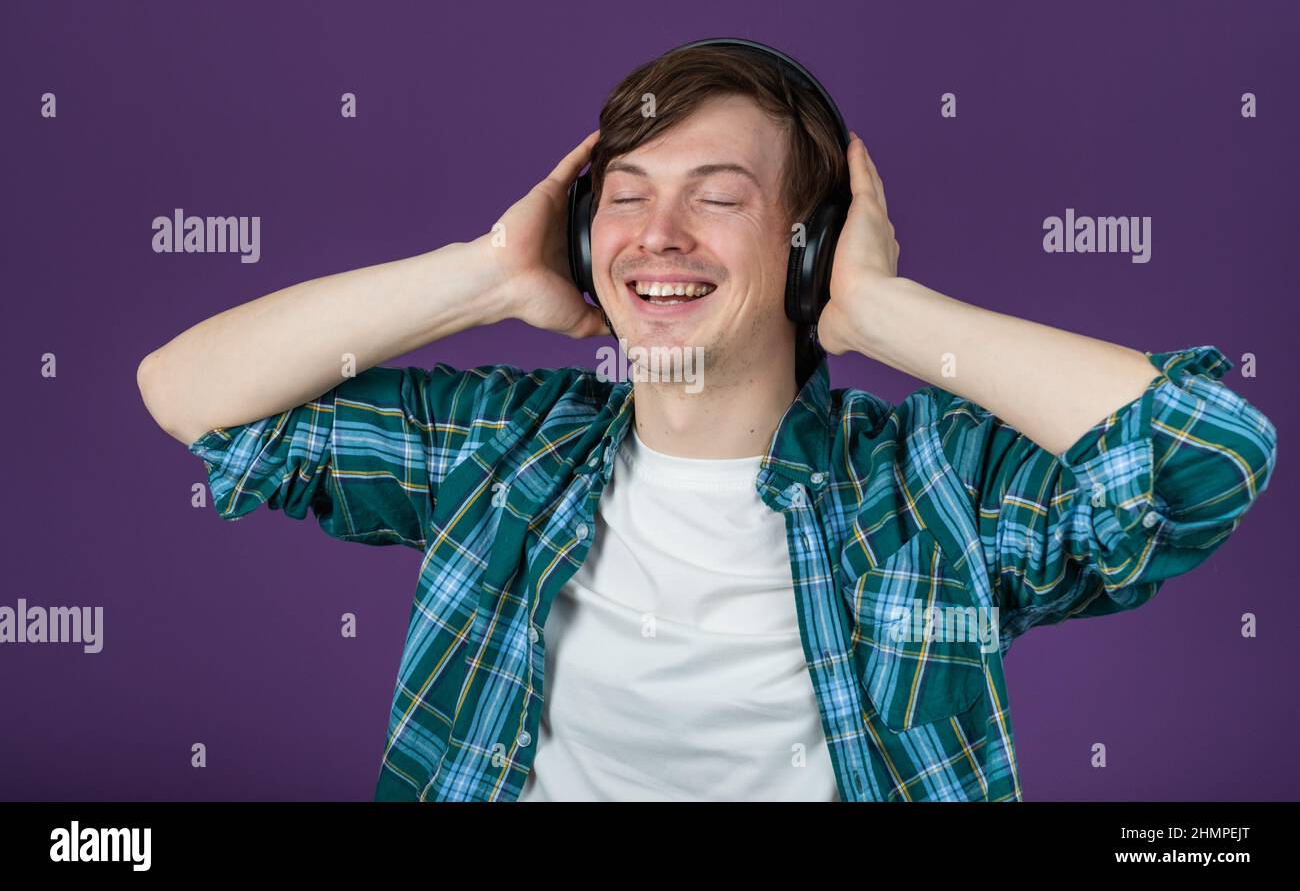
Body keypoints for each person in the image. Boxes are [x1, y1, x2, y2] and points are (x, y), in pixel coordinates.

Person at [136, 42, 1277, 802]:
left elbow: (1207, 454)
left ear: (809, 243)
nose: (657, 233)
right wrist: (485, 274)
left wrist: (880, 309)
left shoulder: (935, 481)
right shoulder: (503, 448)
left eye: (718, 197)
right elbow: (192, 394)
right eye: (625, 194)